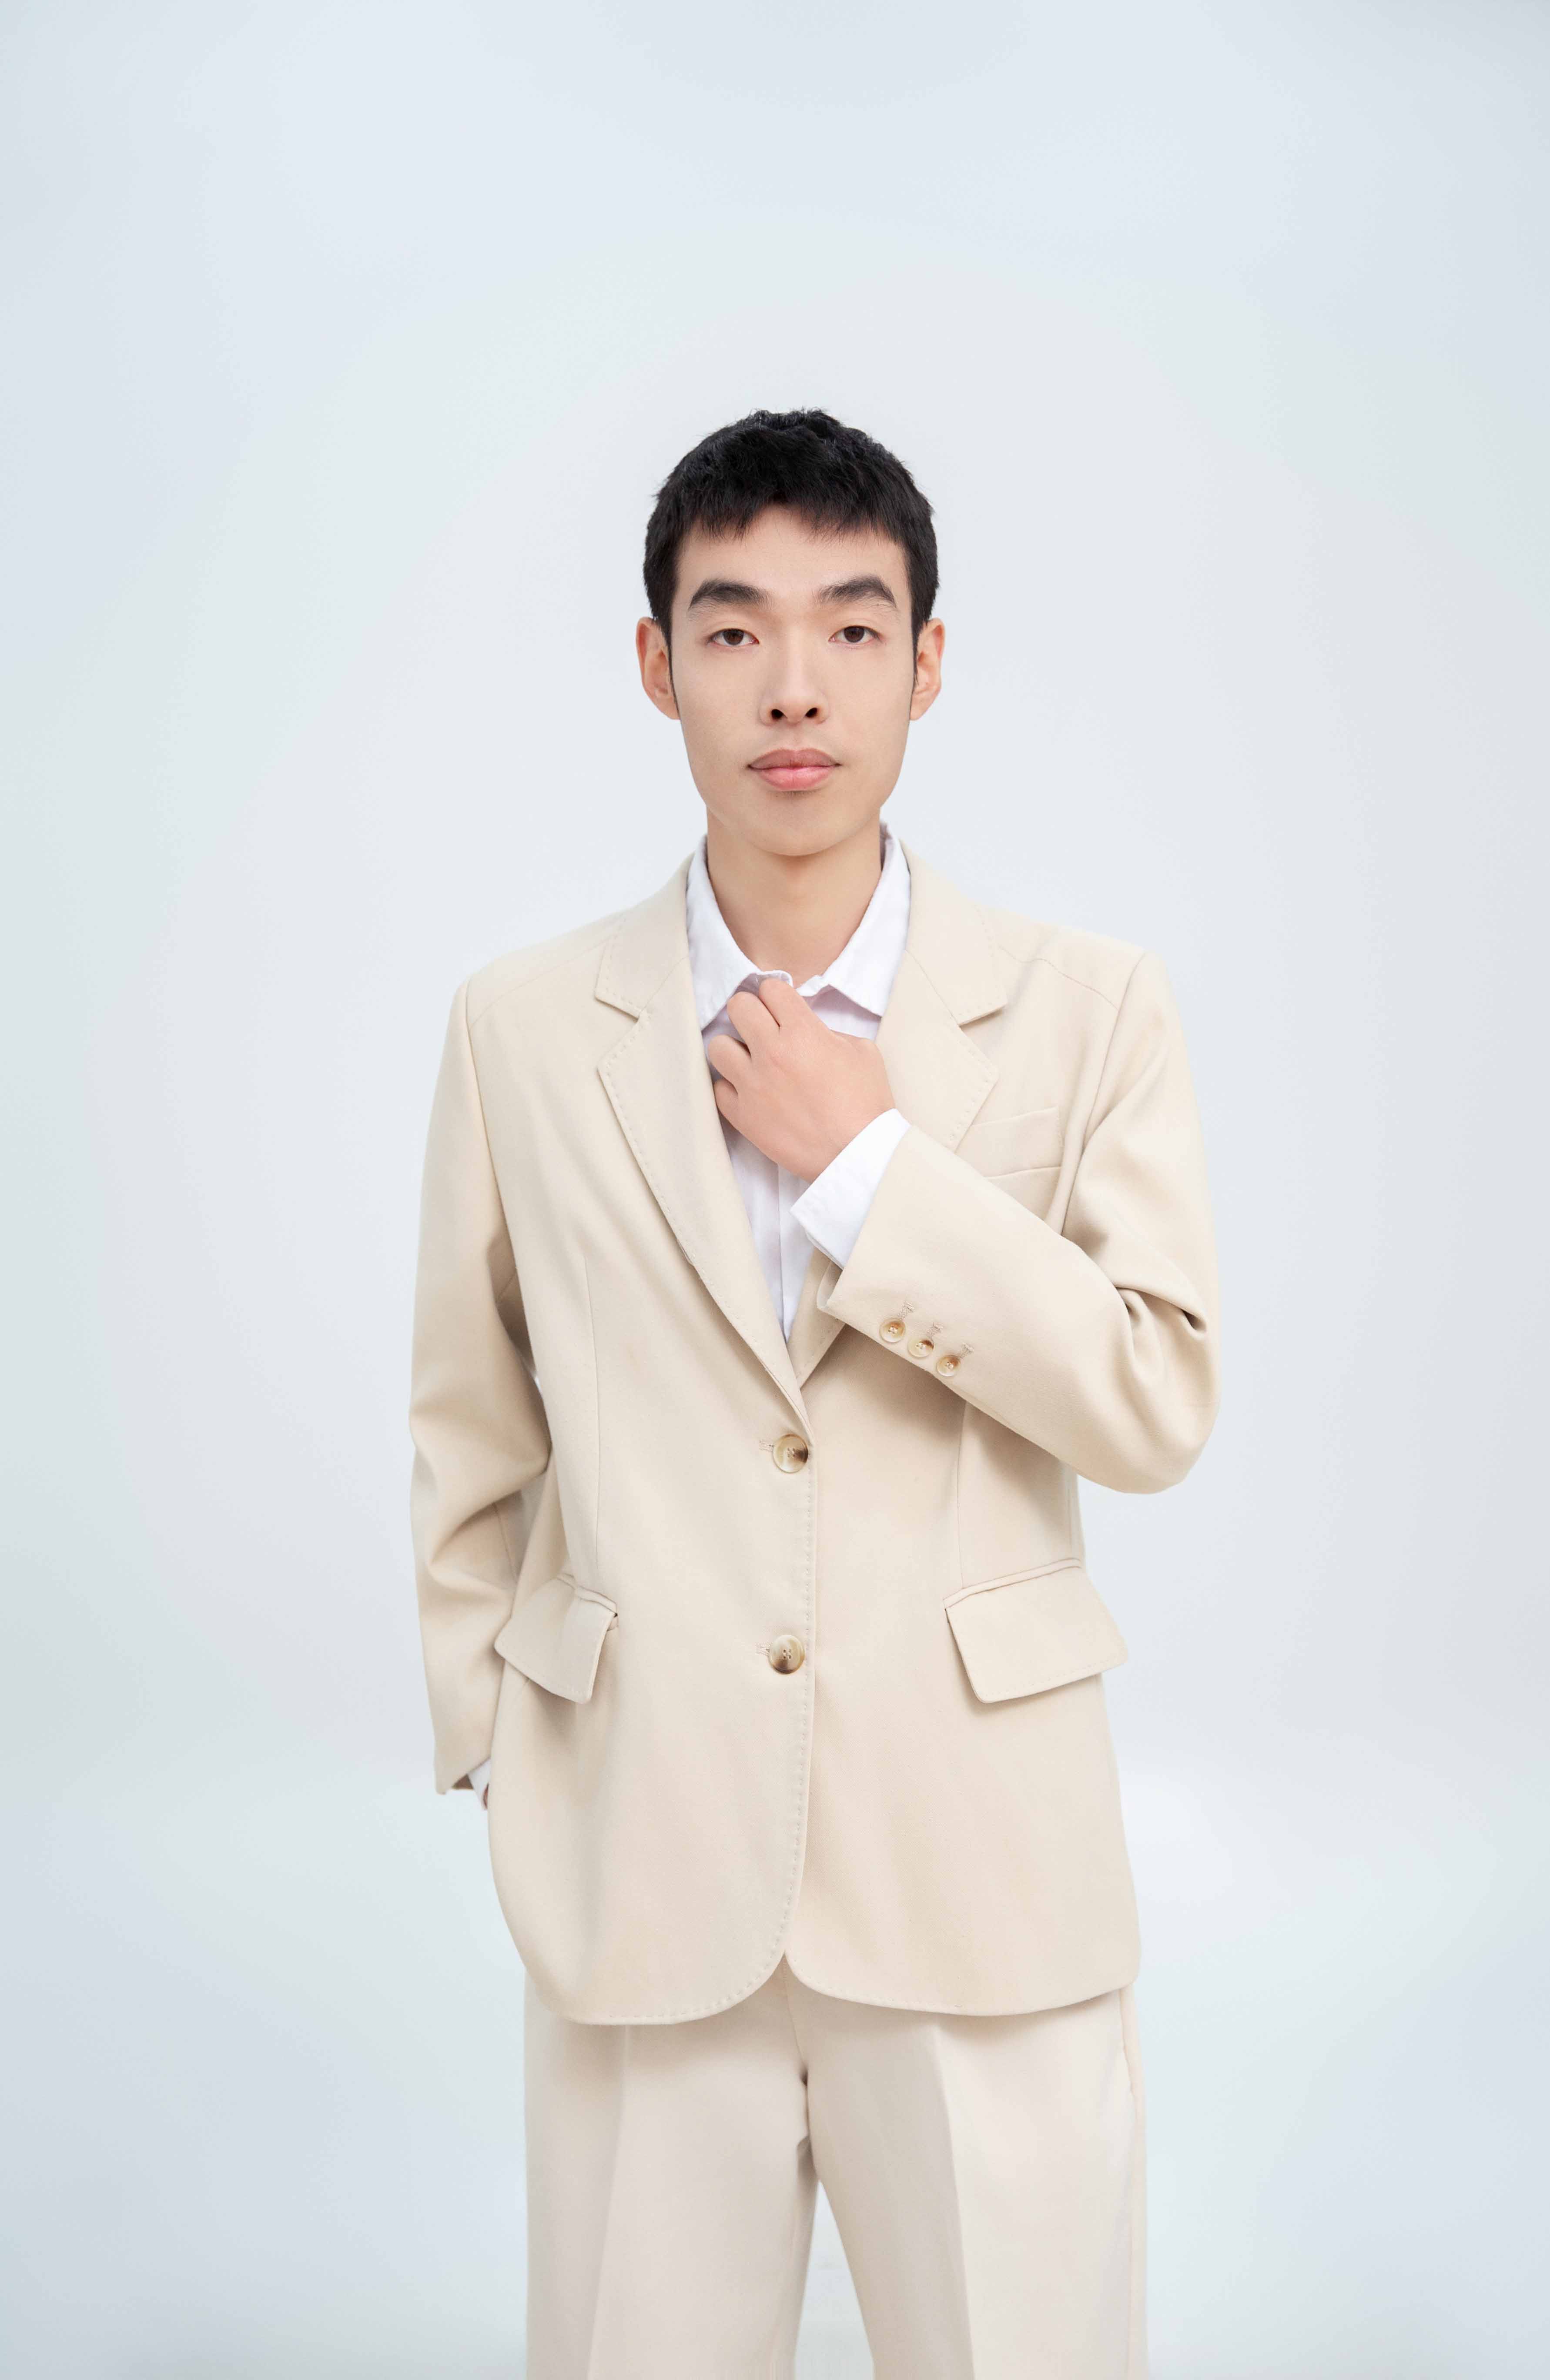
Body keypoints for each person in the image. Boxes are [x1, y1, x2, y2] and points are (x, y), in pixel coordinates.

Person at [408, 408, 1220, 2377]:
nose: (795, 685)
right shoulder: (524, 1027)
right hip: (640, 1861)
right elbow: (469, 1420)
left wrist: (868, 1169)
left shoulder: (1088, 1007)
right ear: (657, 663)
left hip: (980, 1862)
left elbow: (1151, 1396)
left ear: (927, 664)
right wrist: (505, 1743)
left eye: (854, 629)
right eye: (736, 627)